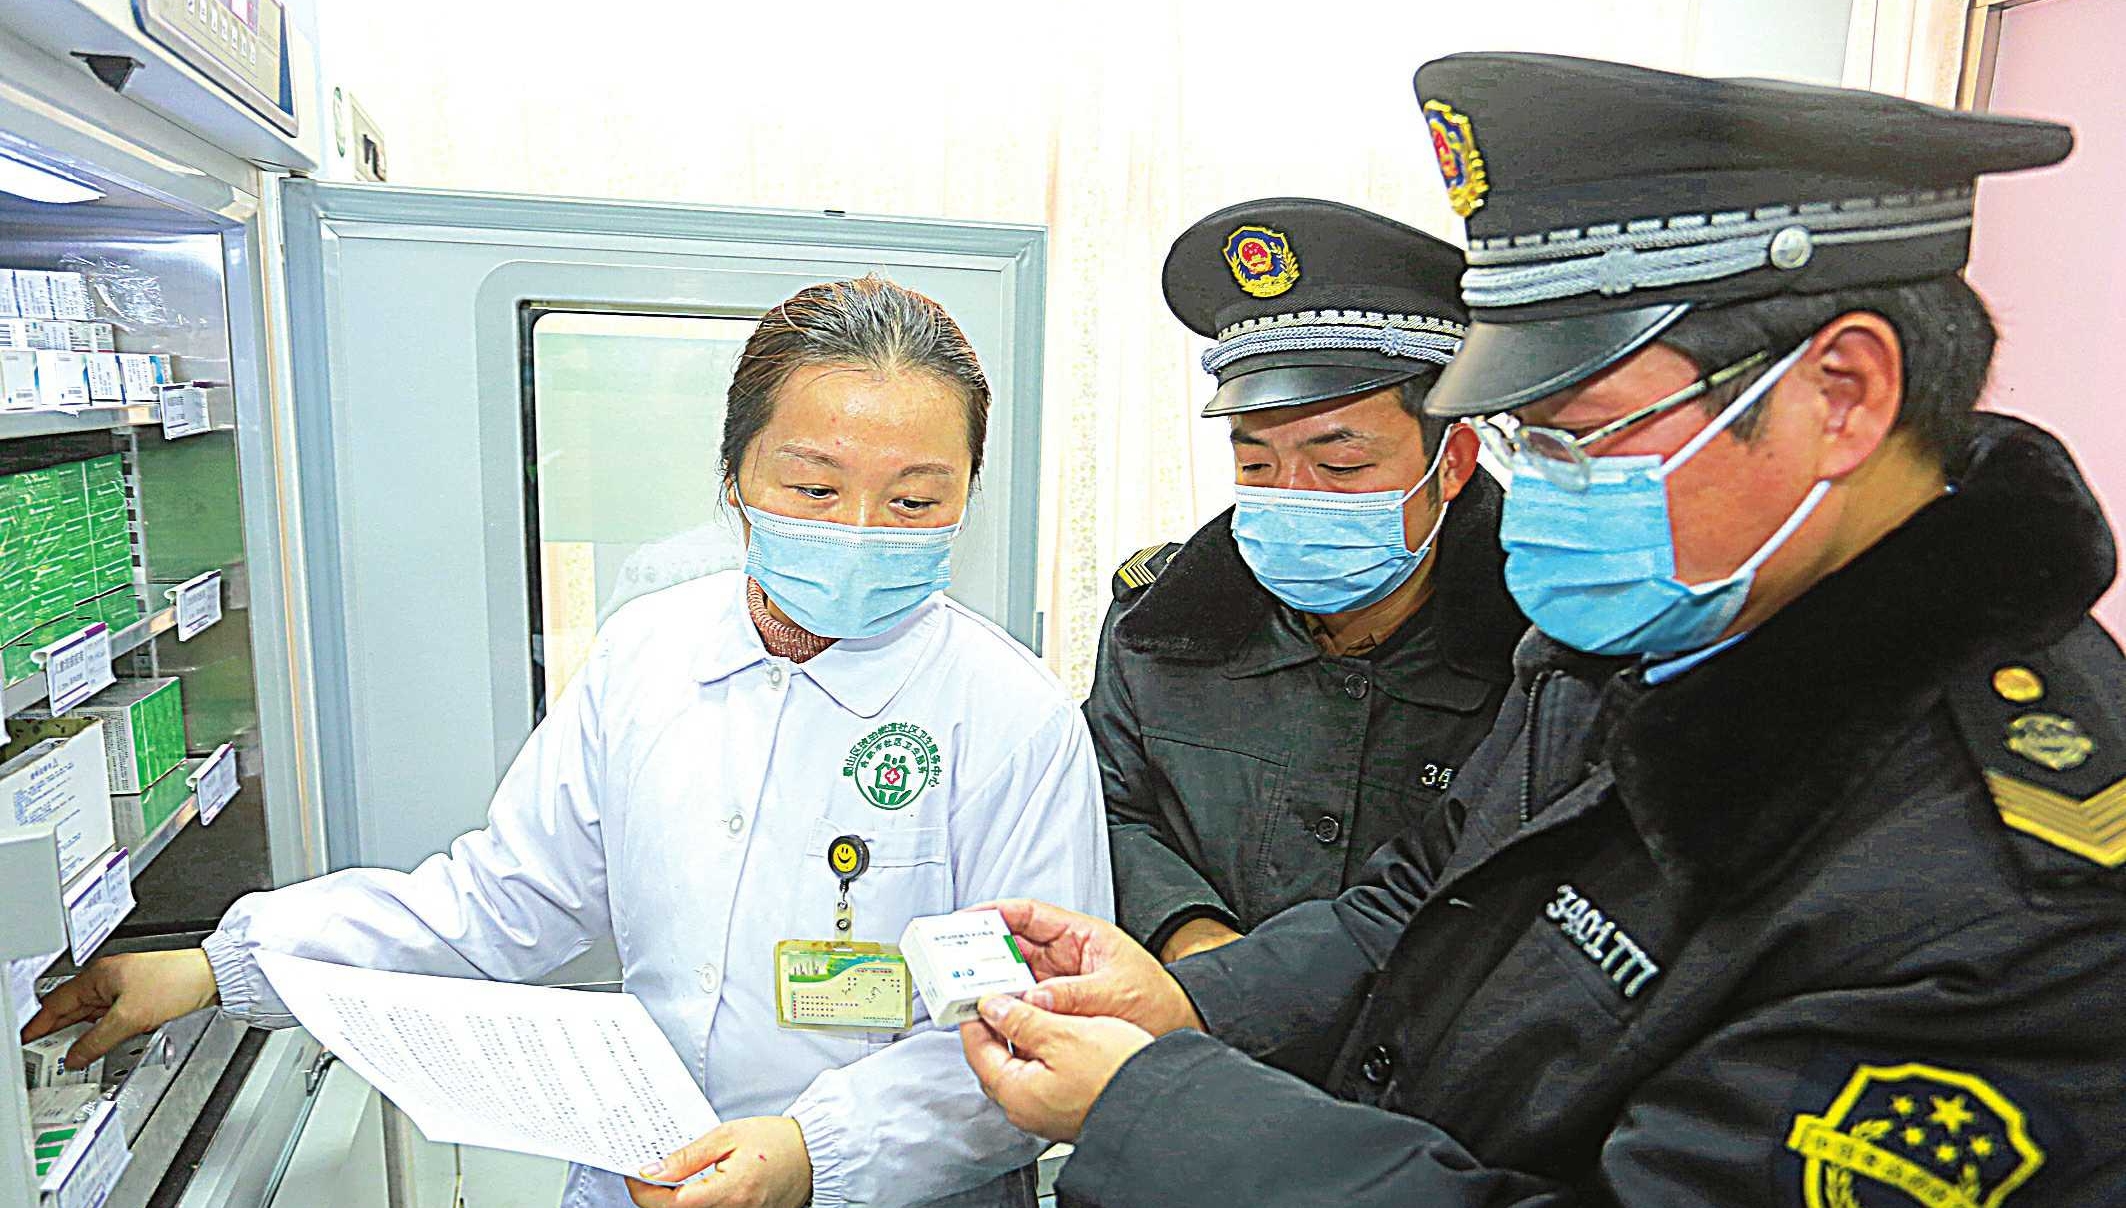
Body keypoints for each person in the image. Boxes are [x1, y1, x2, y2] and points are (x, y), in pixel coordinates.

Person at [959, 54, 2126, 1206]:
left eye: (1579, 431)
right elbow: (1426, 896)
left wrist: (1167, 1109)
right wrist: (1195, 1003)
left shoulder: (2009, 900)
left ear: (1841, 394)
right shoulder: (1639, 631)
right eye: (1525, 437)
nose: (1539, 494)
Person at [26, 276, 1112, 1208]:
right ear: (735, 476)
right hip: (639, 1169)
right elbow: (504, 901)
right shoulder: (649, 654)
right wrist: (222, 966)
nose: (858, 532)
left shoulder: (1011, 719)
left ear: (966, 496)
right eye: (814, 487)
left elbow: (1034, 1035)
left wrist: (808, 1153)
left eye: (914, 500)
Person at [1086, 199, 1524, 964]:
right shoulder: (1157, 631)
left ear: (1450, 463)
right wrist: (1192, 937)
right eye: (1256, 463)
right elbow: (1110, 810)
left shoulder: (1538, 657)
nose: (1292, 495)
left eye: (1340, 464)